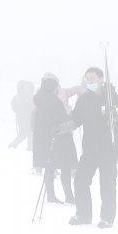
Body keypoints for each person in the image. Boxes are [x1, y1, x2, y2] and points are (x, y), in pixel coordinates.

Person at [67, 67, 118, 228]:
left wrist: (115, 118)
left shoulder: (112, 96)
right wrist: (62, 127)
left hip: (108, 148)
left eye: (92, 78)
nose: (89, 81)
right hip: (89, 148)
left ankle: (107, 218)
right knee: (80, 180)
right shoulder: (84, 99)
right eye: (87, 79)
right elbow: (76, 119)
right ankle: (83, 214)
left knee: (107, 184)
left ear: (101, 79)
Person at [32, 74, 77, 203]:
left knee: (49, 167)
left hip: (44, 139)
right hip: (60, 139)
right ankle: (69, 195)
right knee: (66, 167)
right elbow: (62, 119)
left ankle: (51, 195)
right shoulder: (55, 101)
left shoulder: (39, 100)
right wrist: (72, 116)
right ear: (54, 87)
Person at [9, 80, 35, 150]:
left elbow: (34, 106)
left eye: (28, 88)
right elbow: (14, 107)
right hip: (22, 118)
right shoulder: (18, 97)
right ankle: (13, 145)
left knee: (29, 133)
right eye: (25, 87)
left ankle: (29, 147)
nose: (27, 89)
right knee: (24, 133)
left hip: (29, 118)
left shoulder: (31, 97)